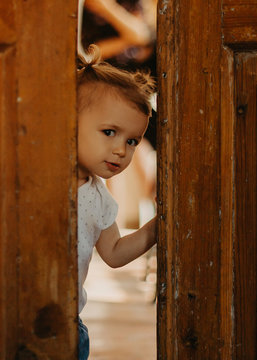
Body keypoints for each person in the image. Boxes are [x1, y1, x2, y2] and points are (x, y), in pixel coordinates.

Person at [76, 45, 157, 360]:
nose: (122, 150)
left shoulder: (98, 196)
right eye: (109, 132)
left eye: (132, 140)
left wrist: (155, 229)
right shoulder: (40, 181)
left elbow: (113, 253)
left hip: (68, 324)